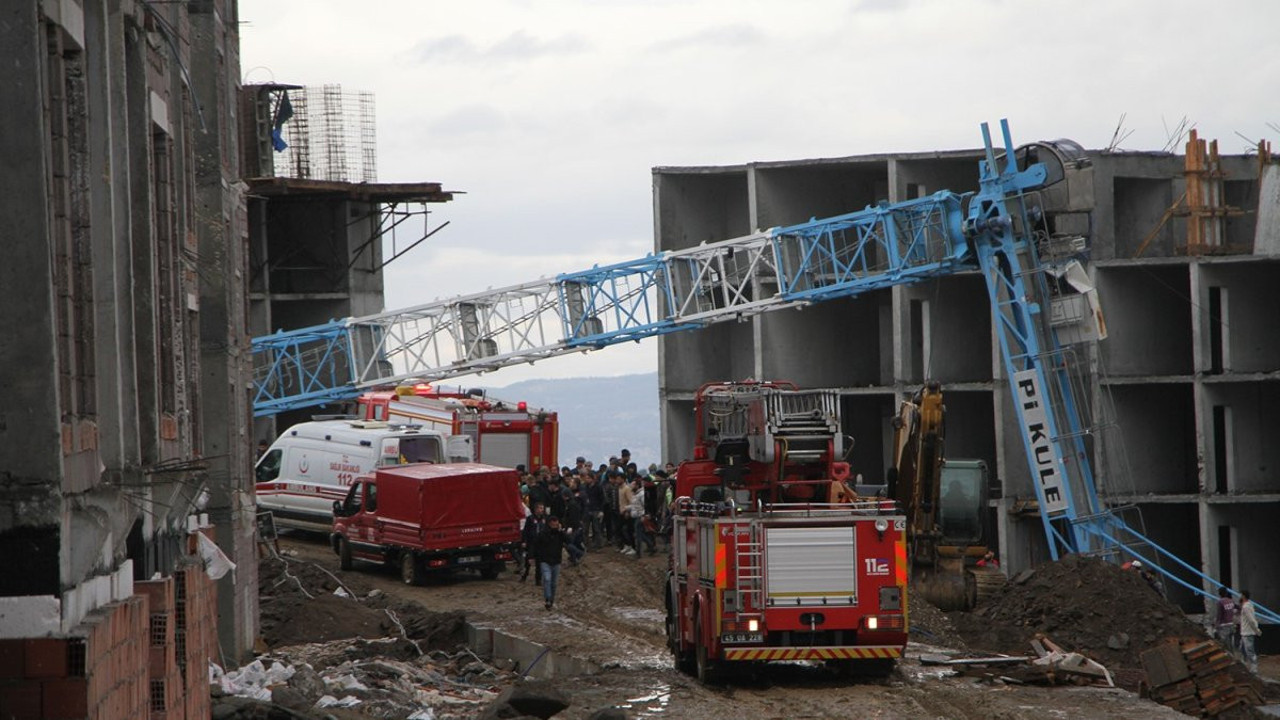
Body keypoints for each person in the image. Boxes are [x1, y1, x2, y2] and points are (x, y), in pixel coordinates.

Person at [532, 515, 568, 610]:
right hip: (545, 560)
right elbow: (536, 545)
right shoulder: (542, 534)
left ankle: (551, 599)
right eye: (553, 525)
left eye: (556, 525)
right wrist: (533, 556)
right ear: (549, 524)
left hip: (556, 561)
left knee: (554, 583)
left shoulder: (560, 534)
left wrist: (561, 531)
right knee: (547, 579)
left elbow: (569, 540)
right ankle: (548, 598)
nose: (554, 527)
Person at [520, 503, 548, 584]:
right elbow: (526, 531)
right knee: (529, 561)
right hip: (531, 543)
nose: (541, 510)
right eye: (540, 508)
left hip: (540, 544)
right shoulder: (530, 518)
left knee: (539, 562)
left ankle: (538, 579)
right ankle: (524, 575)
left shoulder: (544, 519)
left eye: (542, 508)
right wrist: (524, 541)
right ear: (536, 509)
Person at [1238, 590, 1260, 674]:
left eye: (1240, 595)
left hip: (1247, 632)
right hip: (1245, 632)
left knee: (1249, 651)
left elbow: (1251, 620)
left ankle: (1254, 668)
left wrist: (1257, 630)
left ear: (1243, 596)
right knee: (1242, 649)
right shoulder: (1249, 605)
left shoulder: (1246, 607)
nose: (1239, 596)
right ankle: (1244, 666)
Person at [1213, 586, 1239, 653]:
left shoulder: (1220, 602)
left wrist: (1216, 626)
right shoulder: (1231, 601)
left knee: (1225, 646)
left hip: (1224, 626)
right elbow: (1238, 608)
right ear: (1226, 593)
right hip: (1231, 625)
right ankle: (1233, 656)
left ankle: (1229, 657)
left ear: (1219, 594)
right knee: (1231, 644)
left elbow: (1219, 615)